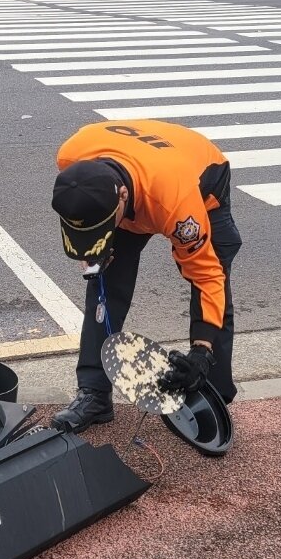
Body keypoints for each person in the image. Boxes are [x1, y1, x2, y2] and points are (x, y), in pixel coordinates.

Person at [49, 119, 242, 433]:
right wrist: (92, 249)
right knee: (104, 282)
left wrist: (201, 351)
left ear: (122, 196)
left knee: (215, 277)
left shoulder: (177, 206)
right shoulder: (71, 158)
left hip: (199, 172)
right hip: (143, 171)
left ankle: (212, 395)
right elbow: (81, 216)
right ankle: (94, 394)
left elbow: (207, 276)